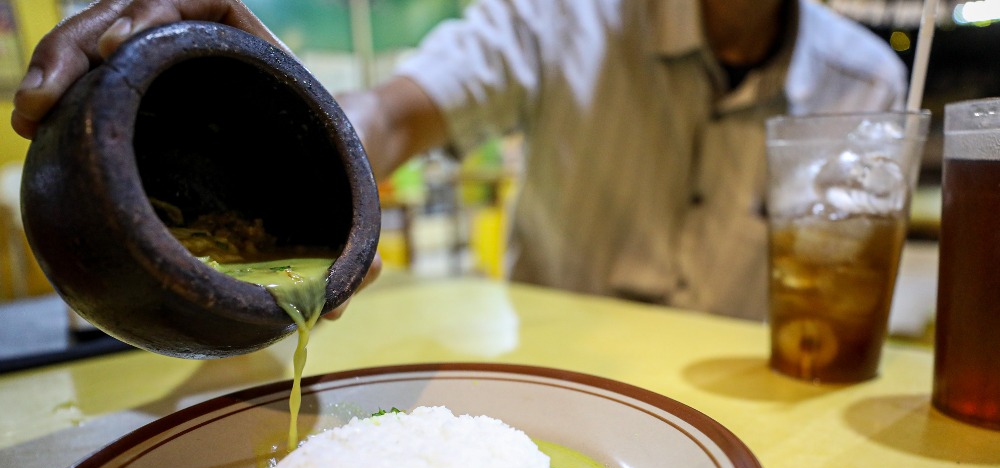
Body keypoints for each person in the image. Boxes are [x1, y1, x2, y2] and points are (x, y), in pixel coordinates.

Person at [12, 0, 907, 320]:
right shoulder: (562, 16)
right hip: (553, 393)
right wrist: (288, 115)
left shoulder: (867, 77)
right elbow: (396, 116)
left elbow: (848, 295)